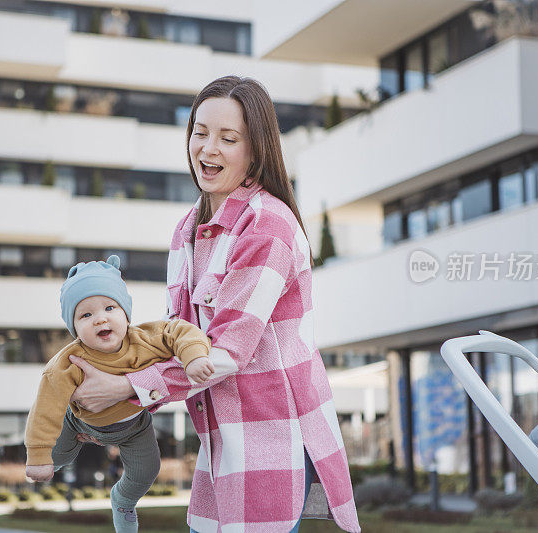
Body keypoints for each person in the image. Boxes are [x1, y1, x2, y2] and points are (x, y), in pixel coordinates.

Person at [68, 76, 360, 532]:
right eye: (200, 132)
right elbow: (175, 339)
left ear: (256, 150)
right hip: (220, 438)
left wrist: (125, 387)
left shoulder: (268, 227)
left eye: (228, 138)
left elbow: (222, 353)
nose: (208, 148)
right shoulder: (187, 230)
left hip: (273, 437)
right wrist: (110, 393)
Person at [24, 255, 214, 533]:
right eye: (85, 315)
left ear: (125, 313)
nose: (100, 318)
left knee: (147, 471)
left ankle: (123, 500)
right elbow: (45, 408)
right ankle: (56, 459)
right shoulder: (67, 362)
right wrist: (38, 456)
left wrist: (194, 356)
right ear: (74, 327)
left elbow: (181, 331)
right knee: (53, 461)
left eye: (110, 307)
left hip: (134, 427)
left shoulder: (145, 339)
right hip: (77, 423)